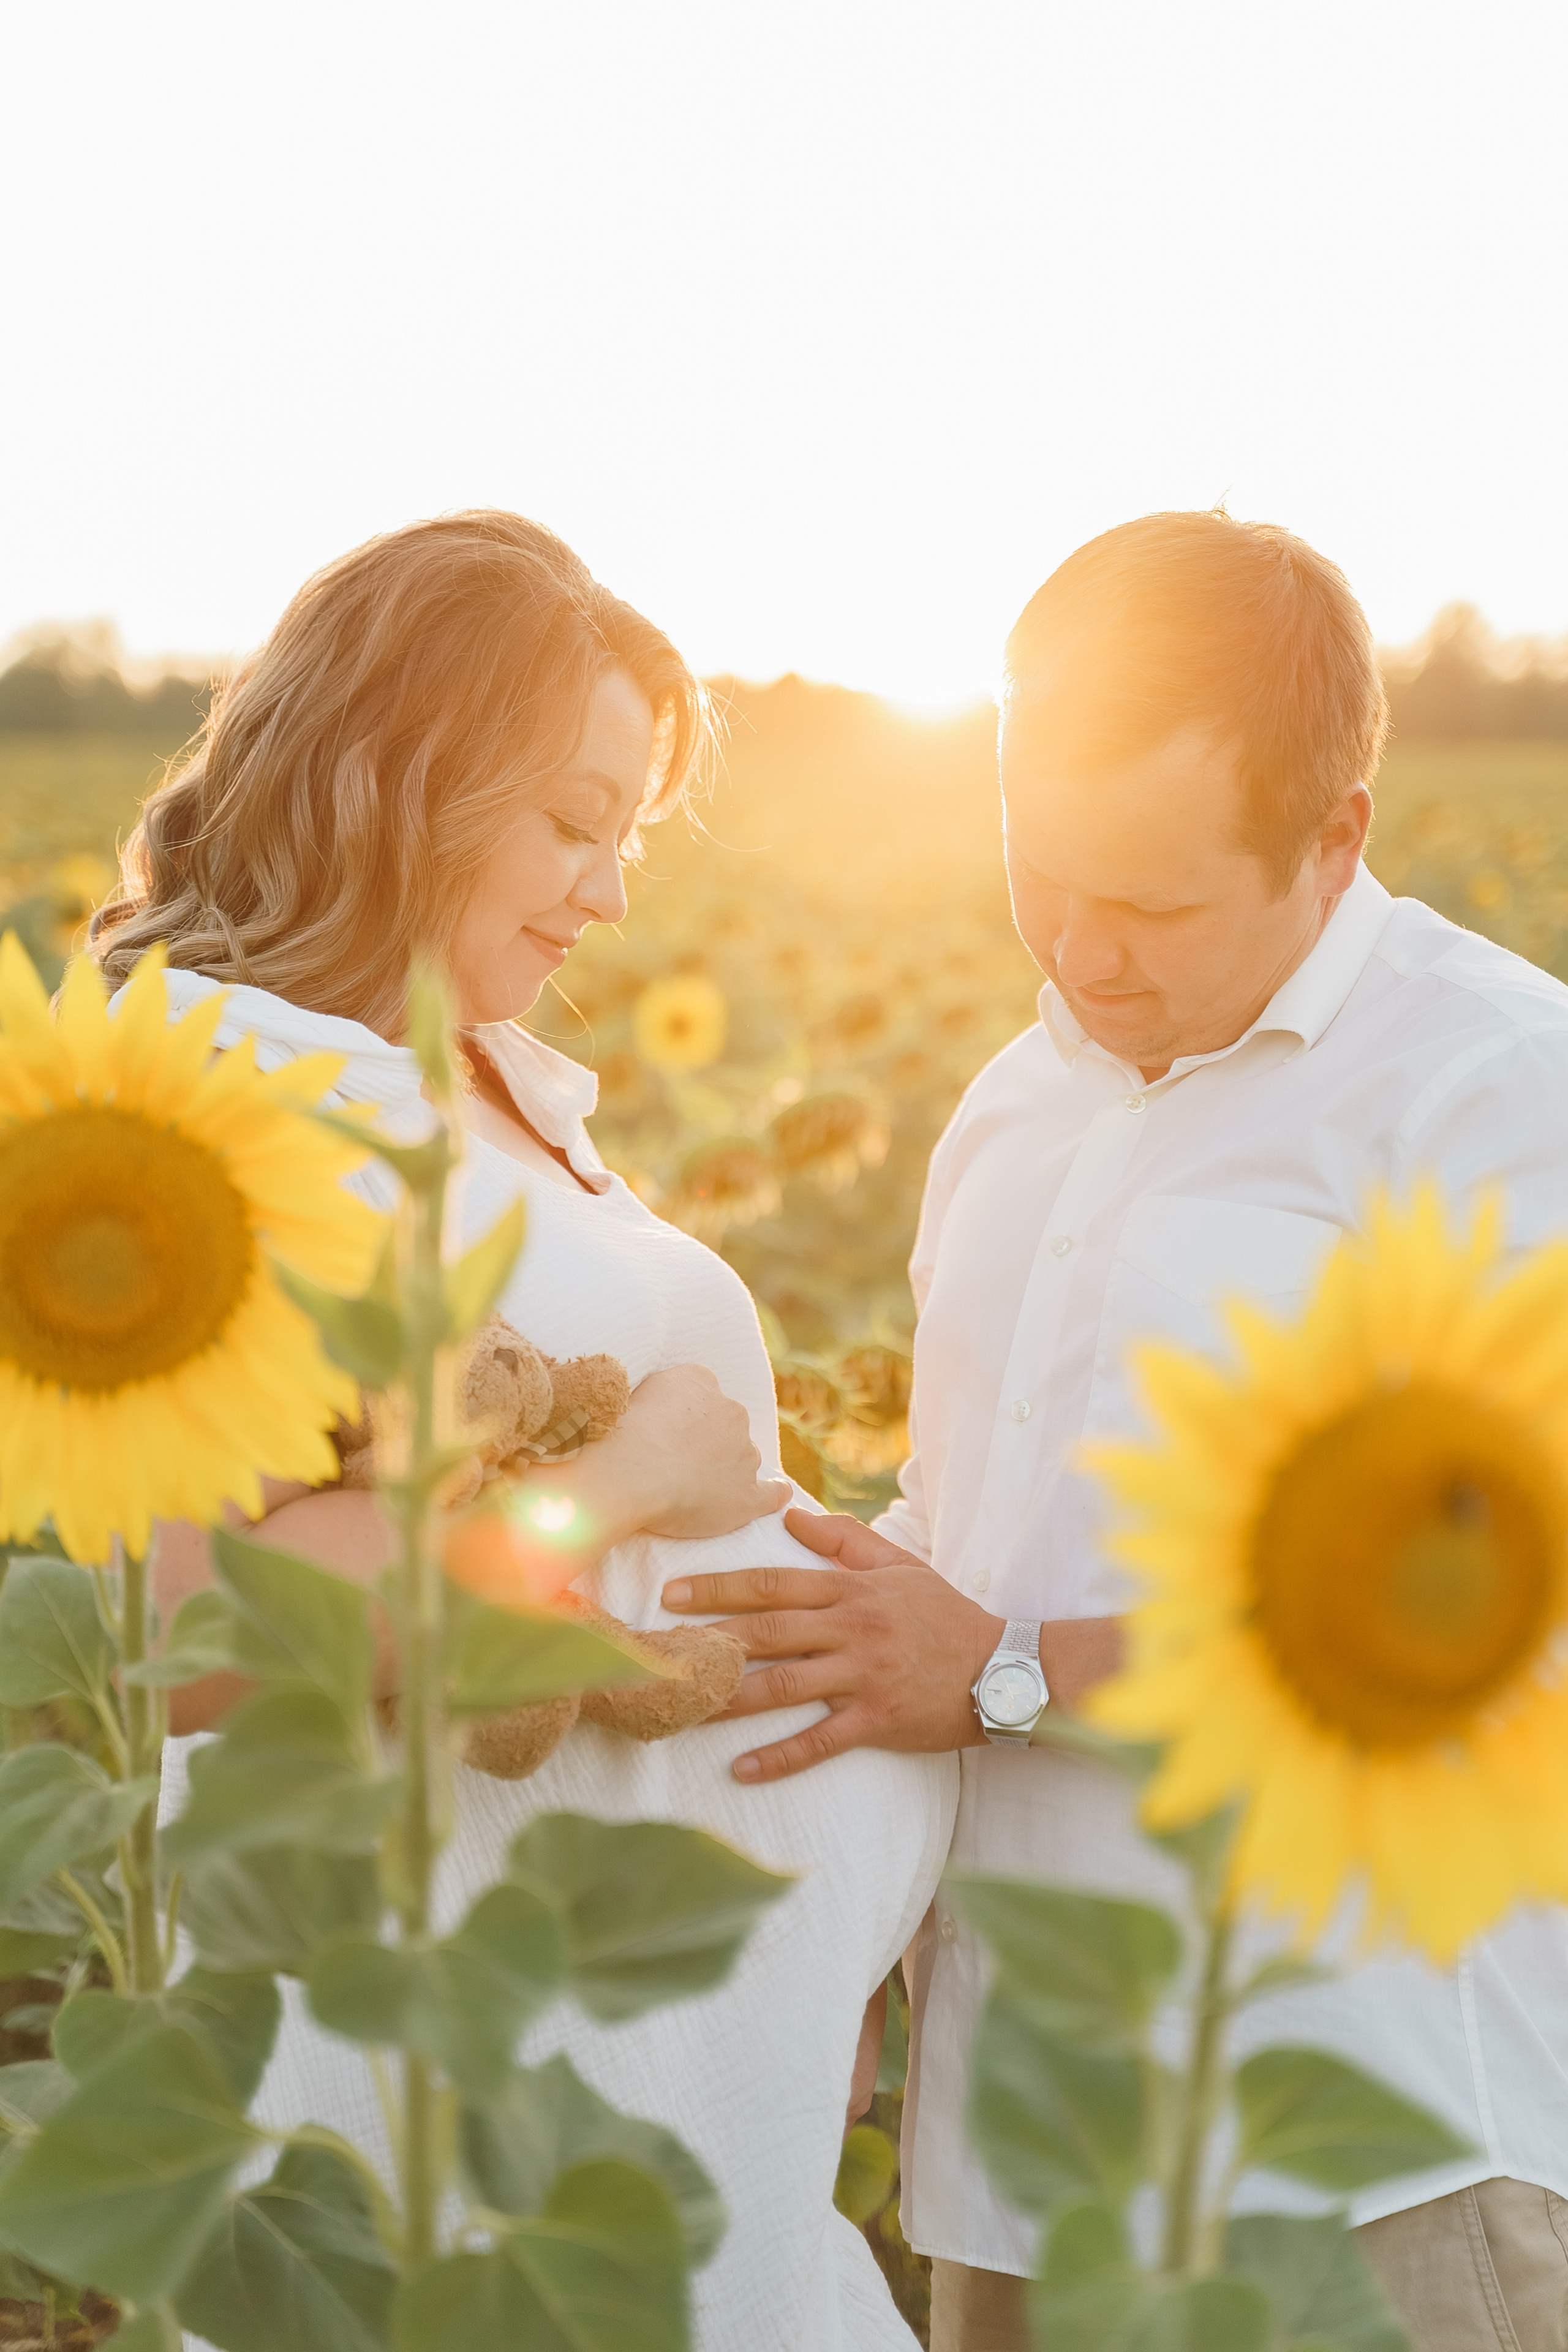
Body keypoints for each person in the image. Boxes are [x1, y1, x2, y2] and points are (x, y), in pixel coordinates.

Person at [662, 510, 1568, 2352]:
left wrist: (1000, 1671)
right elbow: (957, 1530)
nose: (1083, 951)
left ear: (1338, 840)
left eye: (1154, 905)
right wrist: (842, 1920)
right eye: (1040, 873)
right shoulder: (1016, 1107)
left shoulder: (1489, 1092)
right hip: (1016, 2156)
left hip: (1356, 2165)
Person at [93, 510, 957, 2352]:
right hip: (455, 2079)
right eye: (574, 822)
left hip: (676, 2072)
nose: (612, 894)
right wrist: (639, 1482)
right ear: (398, 775)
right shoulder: (216, 1101)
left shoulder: (478, 1078)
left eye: (627, 835)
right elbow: (212, 1634)